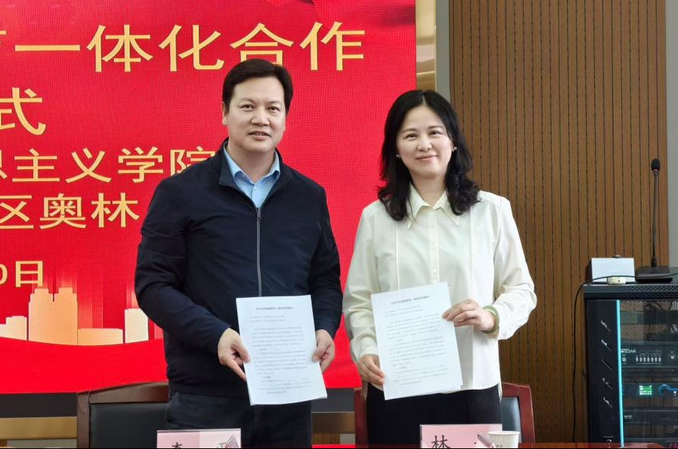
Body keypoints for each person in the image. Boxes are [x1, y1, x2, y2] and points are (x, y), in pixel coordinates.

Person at [135, 59, 342, 447]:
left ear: (285, 118)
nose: (261, 118)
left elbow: (325, 281)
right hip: (205, 395)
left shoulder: (308, 197)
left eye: (273, 108)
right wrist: (216, 335)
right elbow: (153, 286)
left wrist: (325, 327)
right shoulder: (181, 192)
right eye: (248, 106)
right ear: (225, 113)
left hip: (288, 393)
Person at [343, 89, 537, 444]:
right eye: (410, 135)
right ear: (396, 149)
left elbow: (521, 289)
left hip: (471, 385)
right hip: (396, 385)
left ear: (453, 141)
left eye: (435, 132)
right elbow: (359, 300)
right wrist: (366, 348)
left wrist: (492, 316)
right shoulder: (375, 218)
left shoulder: (491, 211)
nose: (424, 144)